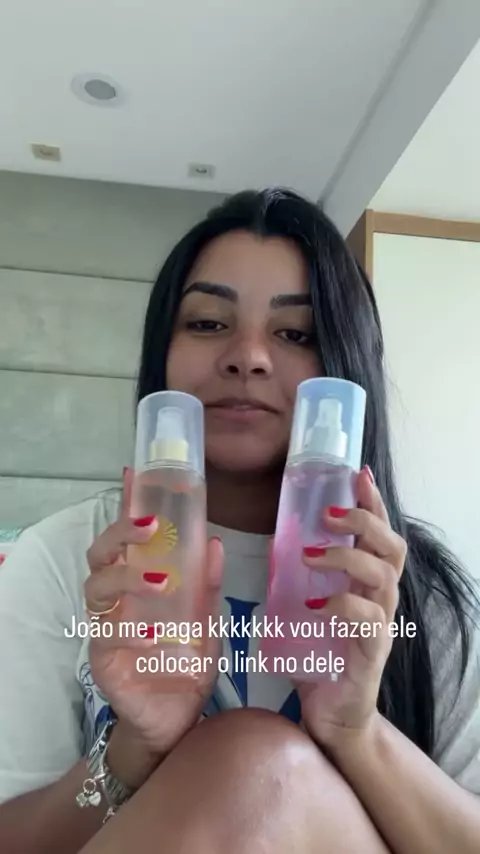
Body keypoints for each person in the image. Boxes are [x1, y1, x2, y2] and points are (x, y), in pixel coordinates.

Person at [0, 188, 478, 854]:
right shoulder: (68, 560)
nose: (248, 356)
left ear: (344, 363)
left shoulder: (408, 591)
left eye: (296, 334)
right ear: (162, 354)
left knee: (257, 761)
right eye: (207, 323)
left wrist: (357, 733)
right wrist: (133, 749)